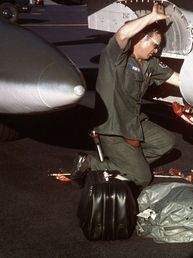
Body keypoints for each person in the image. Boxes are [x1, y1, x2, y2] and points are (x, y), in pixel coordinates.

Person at [71, 2, 181, 188]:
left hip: (135, 122)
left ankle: (128, 165)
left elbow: (177, 79)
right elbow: (122, 34)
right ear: (141, 38)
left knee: (166, 141)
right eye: (154, 45)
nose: (157, 50)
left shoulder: (150, 63)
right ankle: (91, 163)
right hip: (113, 128)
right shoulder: (116, 57)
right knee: (143, 178)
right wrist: (151, 17)